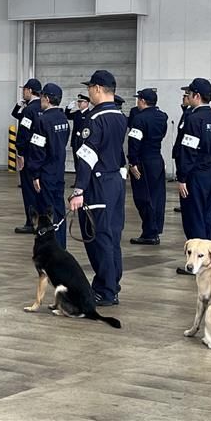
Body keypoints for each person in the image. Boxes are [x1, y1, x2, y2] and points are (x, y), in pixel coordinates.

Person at [68, 70, 127, 307]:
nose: (89, 92)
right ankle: (112, 282)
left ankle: (105, 289)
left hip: (98, 184)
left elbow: (87, 157)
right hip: (114, 182)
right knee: (112, 235)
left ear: (99, 89)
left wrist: (79, 190)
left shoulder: (95, 119)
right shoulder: (120, 116)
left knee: (97, 236)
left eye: (91, 88)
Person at [175, 78, 211, 275]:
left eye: (190, 93)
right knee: (208, 217)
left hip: (195, 175)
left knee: (194, 218)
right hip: (210, 172)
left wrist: (182, 177)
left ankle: (196, 263)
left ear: (197, 96)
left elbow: (188, 151)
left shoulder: (194, 119)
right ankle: (210, 259)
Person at [27, 83, 70, 248]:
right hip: (58, 171)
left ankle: (51, 246)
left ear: (46, 98)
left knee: (46, 212)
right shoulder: (63, 119)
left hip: (45, 173)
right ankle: (61, 244)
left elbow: (38, 150)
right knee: (58, 210)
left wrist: (35, 174)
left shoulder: (42, 120)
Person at [128, 88, 168, 245]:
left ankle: (150, 232)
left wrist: (133, 162)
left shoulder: (139, 119)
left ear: (143, 101)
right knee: (157, 197)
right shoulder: (162, 117)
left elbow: (134, 143)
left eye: (138, 99)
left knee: (143, 197)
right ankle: (155, 228)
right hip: (157, 159)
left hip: (143, 162)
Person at [14, 78, 43, 234]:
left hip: (29, 156)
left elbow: (23, 134)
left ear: (30, 91)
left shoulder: (29, 110)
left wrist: (20, 153)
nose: (23, 92)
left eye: (24, 89)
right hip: (42, 156)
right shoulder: (46, 107)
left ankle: (31, 222)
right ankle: (43, 220)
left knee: (29, 189)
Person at [171, 90, 192, 213]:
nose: (183, 98)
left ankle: (185, 202)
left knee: (184, 180)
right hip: (180, 152)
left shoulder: (190, 114)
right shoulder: (187, 112)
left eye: (186, 96)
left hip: (183, 152)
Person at [65, 94, 90, 172]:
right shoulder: (77, 113)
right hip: (75, 142)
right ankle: (77, 183)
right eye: (78, 102)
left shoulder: (89, 114)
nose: (79, 103)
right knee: (77, 163)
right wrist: (68, 109)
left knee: (83, 164)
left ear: (87, 103)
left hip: (84, 142)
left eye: (81, 102)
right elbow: (67, 116)